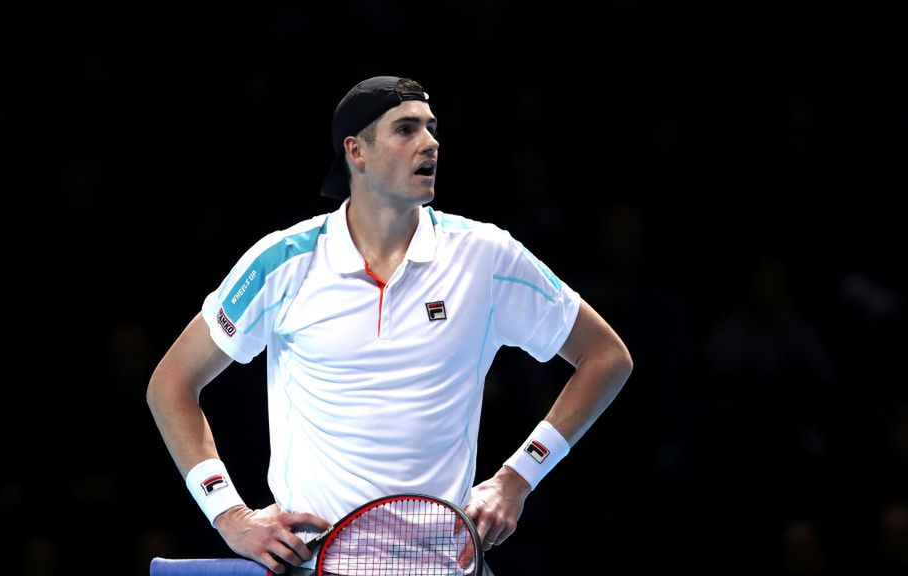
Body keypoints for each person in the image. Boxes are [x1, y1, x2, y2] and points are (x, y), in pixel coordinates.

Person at [147, 76, 633, 573]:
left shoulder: (486, 256)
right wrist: (228, 514)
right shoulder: (283, 260)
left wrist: (518, 477)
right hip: (317, 564)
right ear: (356, 151)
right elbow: (172, 382)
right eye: (406, 129)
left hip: (445, 565)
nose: (430, 143)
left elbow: (606, 356)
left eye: (431, 128)